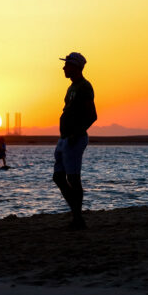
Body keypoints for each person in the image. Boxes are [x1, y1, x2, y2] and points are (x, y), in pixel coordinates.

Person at [52, 52, 97, 230]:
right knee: (58, 177)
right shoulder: (71, 88)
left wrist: (75, 134)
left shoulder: (85, 87)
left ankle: (78, 218)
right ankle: (77, 215)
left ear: (76, 67)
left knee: (73, 178)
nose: (64, 68)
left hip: (74, 139)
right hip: (64, 139)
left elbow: (92, 115)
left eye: (67, 65)